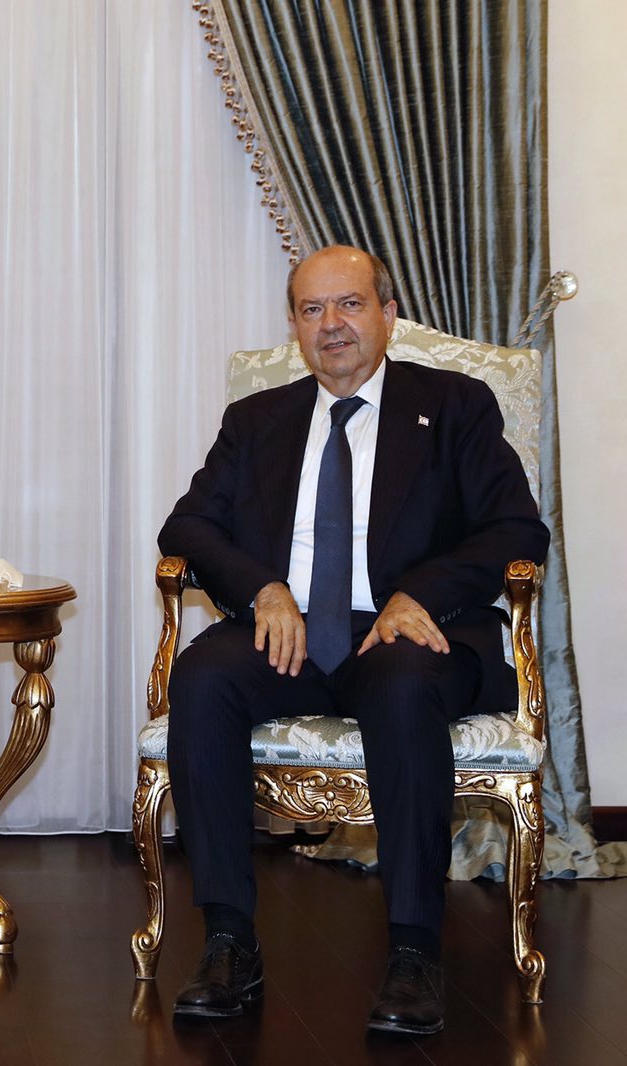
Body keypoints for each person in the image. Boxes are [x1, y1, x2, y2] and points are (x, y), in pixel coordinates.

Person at [157, 245, 548, 1035]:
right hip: (291, 629)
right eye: (312, 309)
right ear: (295, 326)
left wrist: (421, 591)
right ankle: (228, 941)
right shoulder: (257, 420)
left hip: (408, 630)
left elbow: (516, 529)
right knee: (203, 677)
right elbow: (187, 526)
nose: (331, 324)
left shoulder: (454, 406)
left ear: (388, 314)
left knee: (403, 687)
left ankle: (414, 951)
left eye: (350, 304)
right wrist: (263, 589)